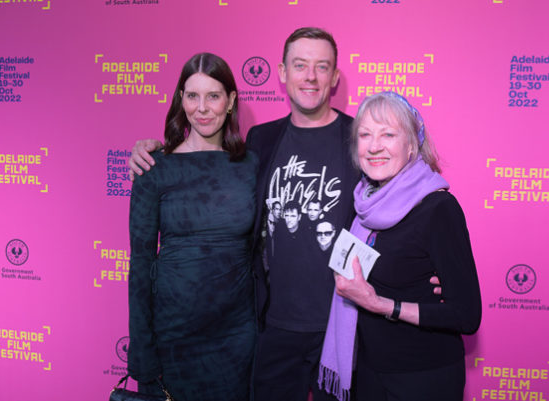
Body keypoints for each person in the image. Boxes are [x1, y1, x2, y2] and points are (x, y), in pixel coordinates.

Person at [127, 28, 441, 401]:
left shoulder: (359, 136)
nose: (310, 77)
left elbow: (402, 191)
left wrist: (423, 268)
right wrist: (153, 150)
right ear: (282, 73)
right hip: (269, 329)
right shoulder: (260, 142)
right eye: (300, 65)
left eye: (321, 67)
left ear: (334, 77)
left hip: (341, 325)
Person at [319, 92, 482, 401]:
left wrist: (381, 304)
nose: (374, 146)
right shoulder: (364, 204)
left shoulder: (438, 209)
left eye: (388, 134)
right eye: (365, 135)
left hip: (423, 378)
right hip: (369, 373)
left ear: (411, 145)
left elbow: (467, 315)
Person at [128, 52, 257, 401]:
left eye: (213, 96)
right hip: (173, 337)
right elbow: (140, 266)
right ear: (180, 99)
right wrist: (141, 352)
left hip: (236, 337)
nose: (202, 108)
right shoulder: (153, 168)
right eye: (192, 96)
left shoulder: (251, 165)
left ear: (230, 101)